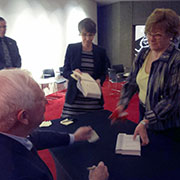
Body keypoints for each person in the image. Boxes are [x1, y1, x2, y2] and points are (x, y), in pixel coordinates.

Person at [0, 69, 109, 180]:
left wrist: (74, 137)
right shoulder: (22, 174)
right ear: (24, 116)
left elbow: (35, 138)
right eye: (41, 99)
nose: (46, 102)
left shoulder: (11, 132)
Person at [111, 8, 180, 145]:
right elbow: (131, 82)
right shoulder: (143, 53)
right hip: (144, 113)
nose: (151, 39)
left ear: (170, 35)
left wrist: (146, 121)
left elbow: (172, 100)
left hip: (167, 123)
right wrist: (122, 105)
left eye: (158, 35)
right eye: (148, 33)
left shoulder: (176, 60)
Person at [61, 18, 110, 118]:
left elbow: (104, 73)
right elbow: (65, 71)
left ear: (94, 34)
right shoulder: (72, 48)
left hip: (93, 98)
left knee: (95, 126)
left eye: (90, 35)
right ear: (80, 33)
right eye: (84, 34)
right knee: (70, 127)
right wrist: (73, 74)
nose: (87, 38)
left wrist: (99, 80)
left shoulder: (100, 51)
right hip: (75, 98)